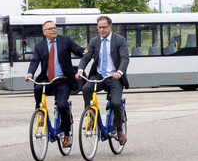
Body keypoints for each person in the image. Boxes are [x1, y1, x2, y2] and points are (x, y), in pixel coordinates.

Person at [24, 21, 86, 148]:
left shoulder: (65, 41)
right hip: (47, 79)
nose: (53, 30)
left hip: (63, 79)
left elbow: (78, 50)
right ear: (44, 32)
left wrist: (86, 51)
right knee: (37, 88)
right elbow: (35, 61)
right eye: (50, 28)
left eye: (55, 28)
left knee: (62, 105)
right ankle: (40, 112)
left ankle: (67, 134)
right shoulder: (39, 46)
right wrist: (30, 74)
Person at [75, 15, 130, 145]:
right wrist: (80, 70)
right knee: (86, 88)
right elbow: (86, 58)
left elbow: (125, 58)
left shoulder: (119, 40)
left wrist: (119, 72)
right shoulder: (95, 41)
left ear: (110, 27)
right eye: (99, 27)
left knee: (116, 103)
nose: (101, 30)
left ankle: (119, 129)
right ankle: (90, 117)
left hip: (114, 76)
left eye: (104, 27)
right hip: (99, 76)